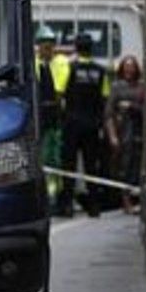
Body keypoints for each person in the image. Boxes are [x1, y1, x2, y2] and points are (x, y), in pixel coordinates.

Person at [59, 33, 111, 218]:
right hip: (92, 124)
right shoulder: (100, 71)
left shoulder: (69, 67)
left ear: (76, 47)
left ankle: (67, 206)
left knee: (69, 164)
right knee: (91, 165)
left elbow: (60, 92)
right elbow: (104, 98)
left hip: (72, 123)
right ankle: (94, 206)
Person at [34, 26, 70, 205]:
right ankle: (40, 194)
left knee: (54, 155)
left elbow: (59, 89)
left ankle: (55, 194)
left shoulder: (62, 63)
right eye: (44, 45)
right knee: (38, 154)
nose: (47, 49)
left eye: (50, 45)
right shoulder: (33, 64)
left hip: (55, 115)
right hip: (37, 115)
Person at [106, 55, 145, 214]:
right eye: (126, 67)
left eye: (132, 66)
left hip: (139, 129)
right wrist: (112, 135)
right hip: (123, 131)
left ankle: (139, 199)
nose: (129, 70)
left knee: (138, 165)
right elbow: (108, 113)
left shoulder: (141, 87)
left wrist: (132, 106)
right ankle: (126, 202)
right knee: (124, 166)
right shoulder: (116, 87)